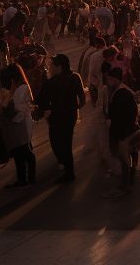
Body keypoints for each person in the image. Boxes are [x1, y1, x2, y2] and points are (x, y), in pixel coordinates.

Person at [36, 54, 86, 183]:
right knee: (67, 143)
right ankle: (67, 168)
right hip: (70, 117)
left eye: (52, 65)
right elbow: (82, 99)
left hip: (56, 118)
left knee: (56, 142)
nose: (50, 68)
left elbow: (41, 100)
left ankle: (67, 170)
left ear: (59, 67)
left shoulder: (52, 82)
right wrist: (75, 107)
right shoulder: (75, 77)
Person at [104, 67, 140, 197]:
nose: (108, 81)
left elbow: (123, 115)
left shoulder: (121, 93)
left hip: (124, 132)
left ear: (116, 79)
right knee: (128, 157)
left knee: (125, 159)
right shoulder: (120, 90)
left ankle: (126, 185)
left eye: (110, 79)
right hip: (127, 130)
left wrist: (120, 134)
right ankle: (129, 181)